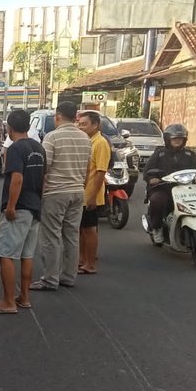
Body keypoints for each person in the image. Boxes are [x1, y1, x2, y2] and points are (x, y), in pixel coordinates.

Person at [0, 109, 45, 314]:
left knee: (5, 254)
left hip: (19, 207)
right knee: (27, 254)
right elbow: (44, 179)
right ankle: (24, 297)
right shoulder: (38, 147)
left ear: (9, 127)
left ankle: (8, 302)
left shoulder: (16, 149)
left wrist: (10, 206)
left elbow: (17, 179)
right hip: (35, 206)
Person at [31, 101, 92, 292]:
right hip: (77, 191)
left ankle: (50, 279)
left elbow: (44, 167)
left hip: (56, 192)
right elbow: (88, 168)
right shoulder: (85, 138)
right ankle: (68, 276)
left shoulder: (52, 137)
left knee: (51, 236)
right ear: (75, 117)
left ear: (58, 116)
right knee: (72, 235)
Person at [143, 123, 196, 246]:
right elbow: (147, 171)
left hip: (186, 188)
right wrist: (152, 178)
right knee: (158, 200)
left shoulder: (189, 154)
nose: (178, 141)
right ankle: (157, 229)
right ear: (168, 139)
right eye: (175, 138)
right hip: (163, 188)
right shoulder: (159, 154)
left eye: (180, 138)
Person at [76, 110, 110, 275]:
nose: (81, 127)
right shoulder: (87, 141)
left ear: (95, 125)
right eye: (80, 124)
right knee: (82, 228)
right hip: (82, 192)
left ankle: (90, 263)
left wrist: (92, 197)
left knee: (90, 229)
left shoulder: (100, 143)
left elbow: (101, 172)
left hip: (91, 194)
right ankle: (82, 260)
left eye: (85, 124)